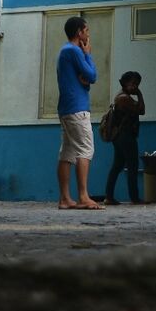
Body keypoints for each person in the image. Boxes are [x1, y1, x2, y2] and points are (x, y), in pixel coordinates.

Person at [55, 16, 102, 210]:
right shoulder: (75, 51)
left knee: (67, 152)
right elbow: (92, 76)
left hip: (66, 108)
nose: (88, 34)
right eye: (87, 30)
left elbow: (85, 79)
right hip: (77, 108)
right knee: (85, 149)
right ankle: (83, 196)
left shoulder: (64, 52)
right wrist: (88, 54)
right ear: (79, 33)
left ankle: (65, 198)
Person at [103, 71, 146, 205]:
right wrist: (139, 94)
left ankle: (109, 196)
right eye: (132, 84)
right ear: (125, 83)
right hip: (125, 135)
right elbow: (142, 110)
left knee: (118, 165)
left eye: (137, 85)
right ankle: (134, 198)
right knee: (132, 165)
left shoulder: (122, 96)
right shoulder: (124, 99)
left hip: (120, 136)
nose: (135, 87)